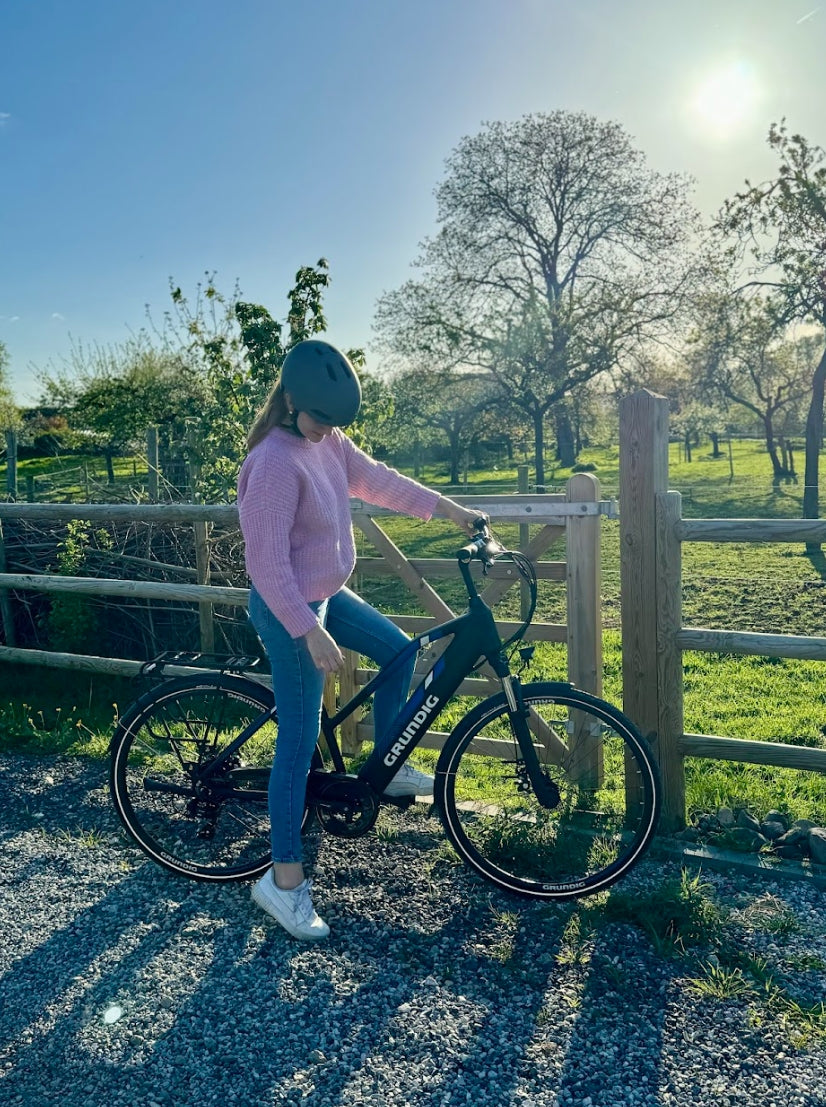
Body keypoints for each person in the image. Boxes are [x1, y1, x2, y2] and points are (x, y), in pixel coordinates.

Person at [237, 338, 479, 941]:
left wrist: (450, 510)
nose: (326, 432)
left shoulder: (329, 443)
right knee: (295, 740)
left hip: (323, 593)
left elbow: (380, 482)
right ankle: (282, 882)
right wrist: (308, 629)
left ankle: (385, 765)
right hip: (287, 604)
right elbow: (265, 566)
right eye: (319, 419)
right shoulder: (272, 462)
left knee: (400, 653)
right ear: (290, 400)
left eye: (336, 424)